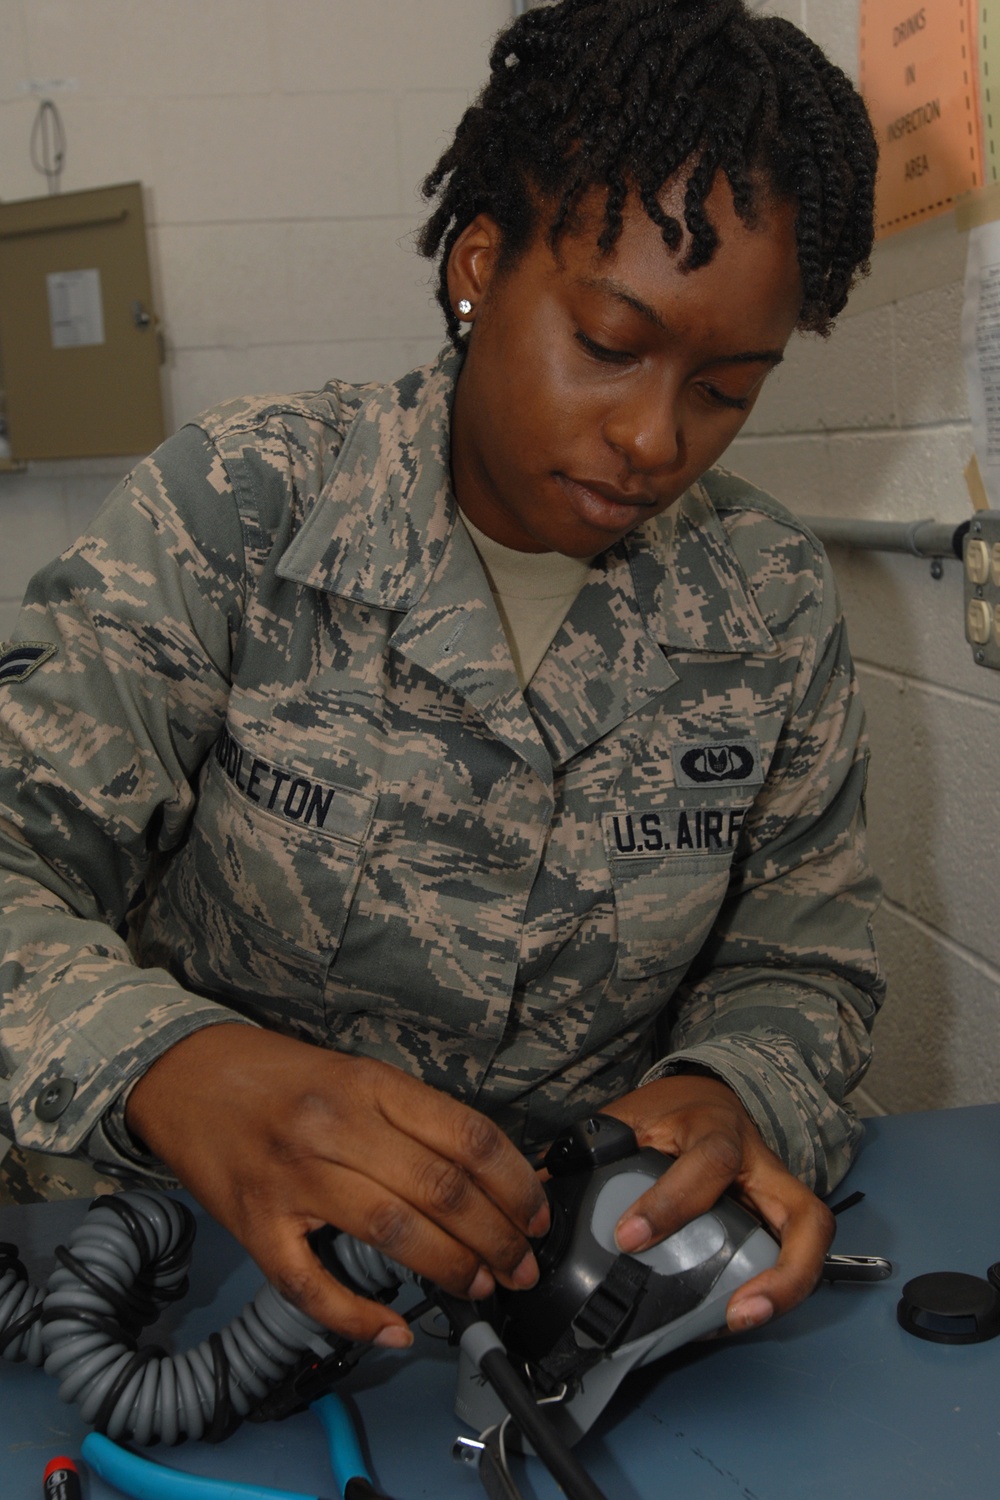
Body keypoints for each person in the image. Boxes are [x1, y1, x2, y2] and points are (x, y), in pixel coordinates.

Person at [0, 0, 882, 1355]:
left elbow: (801, 963)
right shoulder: (236, 508)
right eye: (607, 342)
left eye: (726, 388)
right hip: (178, 1281)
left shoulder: (766, 601)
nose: (655, 438)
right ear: (480, 264)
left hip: (550, 1305)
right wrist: (175, 1066)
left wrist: (733, 1090)